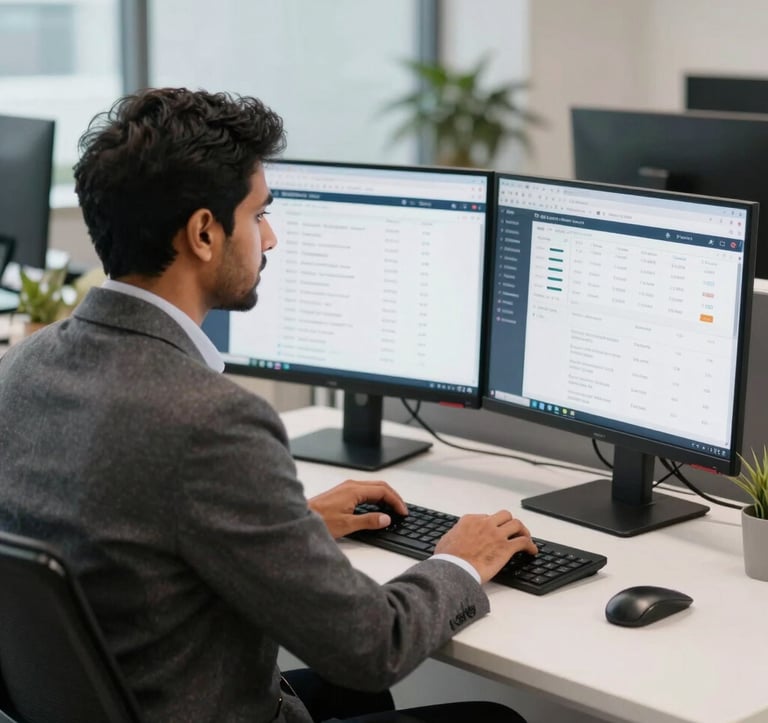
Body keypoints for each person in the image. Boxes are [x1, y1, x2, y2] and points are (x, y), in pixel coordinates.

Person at [0, 88, 536, 723]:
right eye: (259, 215)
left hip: (125, 699)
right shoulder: (211, 421)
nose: (272, 238)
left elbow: (117, 529)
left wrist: (288, 525)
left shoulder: (24, 366)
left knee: (357, 699)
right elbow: (373, 647)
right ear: (204, 232)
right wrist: (460, 562)